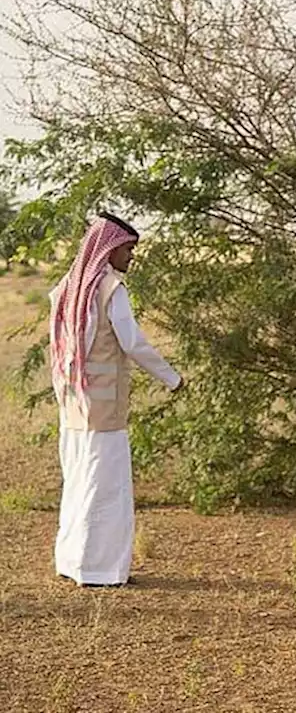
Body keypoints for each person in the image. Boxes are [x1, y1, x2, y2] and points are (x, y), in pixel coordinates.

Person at [49, 213, 183, 587]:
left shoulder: (67, 288)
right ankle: (99, 571)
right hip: (103, 411)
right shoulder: (110, 289)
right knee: (106, 489)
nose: (130, 257)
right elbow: (134, 343)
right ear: (108, 248)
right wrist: (172, 378)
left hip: (73, 405)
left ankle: (73, 562)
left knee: (78, 483)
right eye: (127, 249)